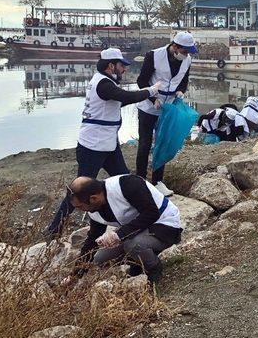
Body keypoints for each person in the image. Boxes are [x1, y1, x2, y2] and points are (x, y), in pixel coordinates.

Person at [45, 48, 161, 238]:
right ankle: (54, 230)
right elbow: (125, 96)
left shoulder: (105, 83)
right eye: (121, 65)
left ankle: (140, 216)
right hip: (92, 146)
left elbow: (119, 101)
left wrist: (144, 95)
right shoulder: (103, 84)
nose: (124, 69)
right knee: (78, 191)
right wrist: (150, 91)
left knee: (125, 179)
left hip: (108, 144)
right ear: (110, 65)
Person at [68, 175, 182, 284]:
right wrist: (76, 274)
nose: (80, 210)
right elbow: (92, 240)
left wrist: (118, 234)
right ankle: (137, 262)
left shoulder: (127, 185)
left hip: (164, 225)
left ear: (93, 198)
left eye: (80, 206)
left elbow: (151, 213)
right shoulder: (94, 208)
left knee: (133, 245)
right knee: (99, 258)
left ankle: (153, 268)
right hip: (137, 230)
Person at [136, 32, 196, 197]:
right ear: (175, 46)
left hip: (168, 107)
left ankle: (157, 181)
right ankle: (140, 179)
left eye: (189, 52)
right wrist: (152, 98)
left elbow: (184, 80)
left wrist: (181, 91)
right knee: (145, 143)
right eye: (184, 51)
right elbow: (141, 81)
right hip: (149, 106)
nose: (187, 55)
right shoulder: (154, 56)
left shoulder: (187, 59)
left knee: (163, 142)